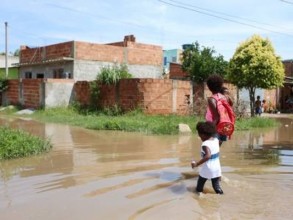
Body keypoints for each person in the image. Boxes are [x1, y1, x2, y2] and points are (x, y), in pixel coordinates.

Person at [191, 121, 223, 195]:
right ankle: (221, 194)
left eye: (200, 135)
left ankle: (199, 195)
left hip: (208, 168)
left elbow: (208, 155)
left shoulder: (205, 144)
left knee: (200, 184)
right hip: (217, 167)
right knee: (216, 185)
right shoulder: (216, 140)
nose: (199, 137)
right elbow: (220, 143)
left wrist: (197, 164)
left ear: (203, 135)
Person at [205, 74, 229, 145]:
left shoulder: (212, 99)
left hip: (215, 128)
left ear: (209, 87)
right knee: (216, 149)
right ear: (221, 85)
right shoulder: (223, 97)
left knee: (212, 150)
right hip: (223, 127)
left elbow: (216, 117)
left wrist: (208, 130)